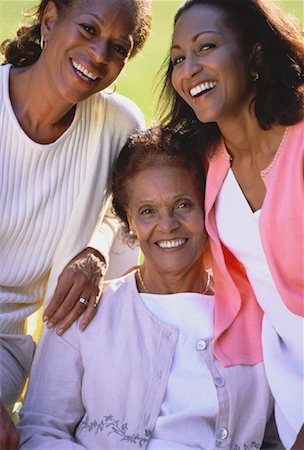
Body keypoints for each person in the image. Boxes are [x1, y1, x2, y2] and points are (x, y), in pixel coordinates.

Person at [17, 126, 282, 449]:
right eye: (147, 211)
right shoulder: (84, 314)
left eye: (183, 205)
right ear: (129, 220)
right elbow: (40, 430)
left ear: (206, 205)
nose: (167, 224)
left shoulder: (257, 316)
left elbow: (276, 437)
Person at [0, 0, 152, 447]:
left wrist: (96, 250)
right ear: (50, 20)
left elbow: (119, 209)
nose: (100, 54)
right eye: (87, 29)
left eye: (119, 48)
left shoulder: (117, 125)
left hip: (7, 349)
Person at [157, 1, 304, 449]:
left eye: (207, 47)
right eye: (179, 57)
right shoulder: (209, 162)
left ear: (256, 54)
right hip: (287, 386)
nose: (189, 68)